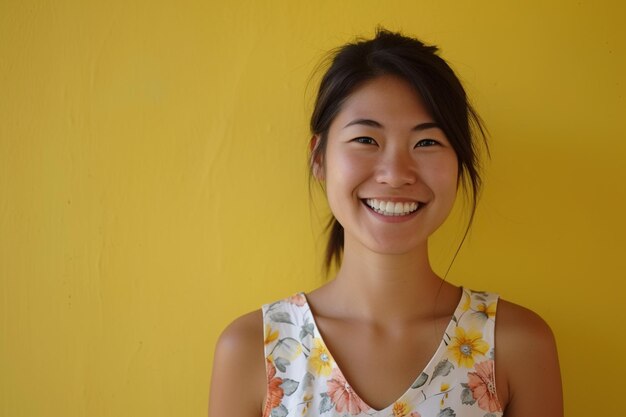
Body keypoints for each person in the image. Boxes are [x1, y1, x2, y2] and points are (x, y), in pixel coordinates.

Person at [208, 29, 563, 417]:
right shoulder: (253, 350)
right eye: (366, 140)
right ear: (320, 157)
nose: (395, 174)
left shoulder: (517, 345)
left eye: (426, 143)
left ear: (458, 165)